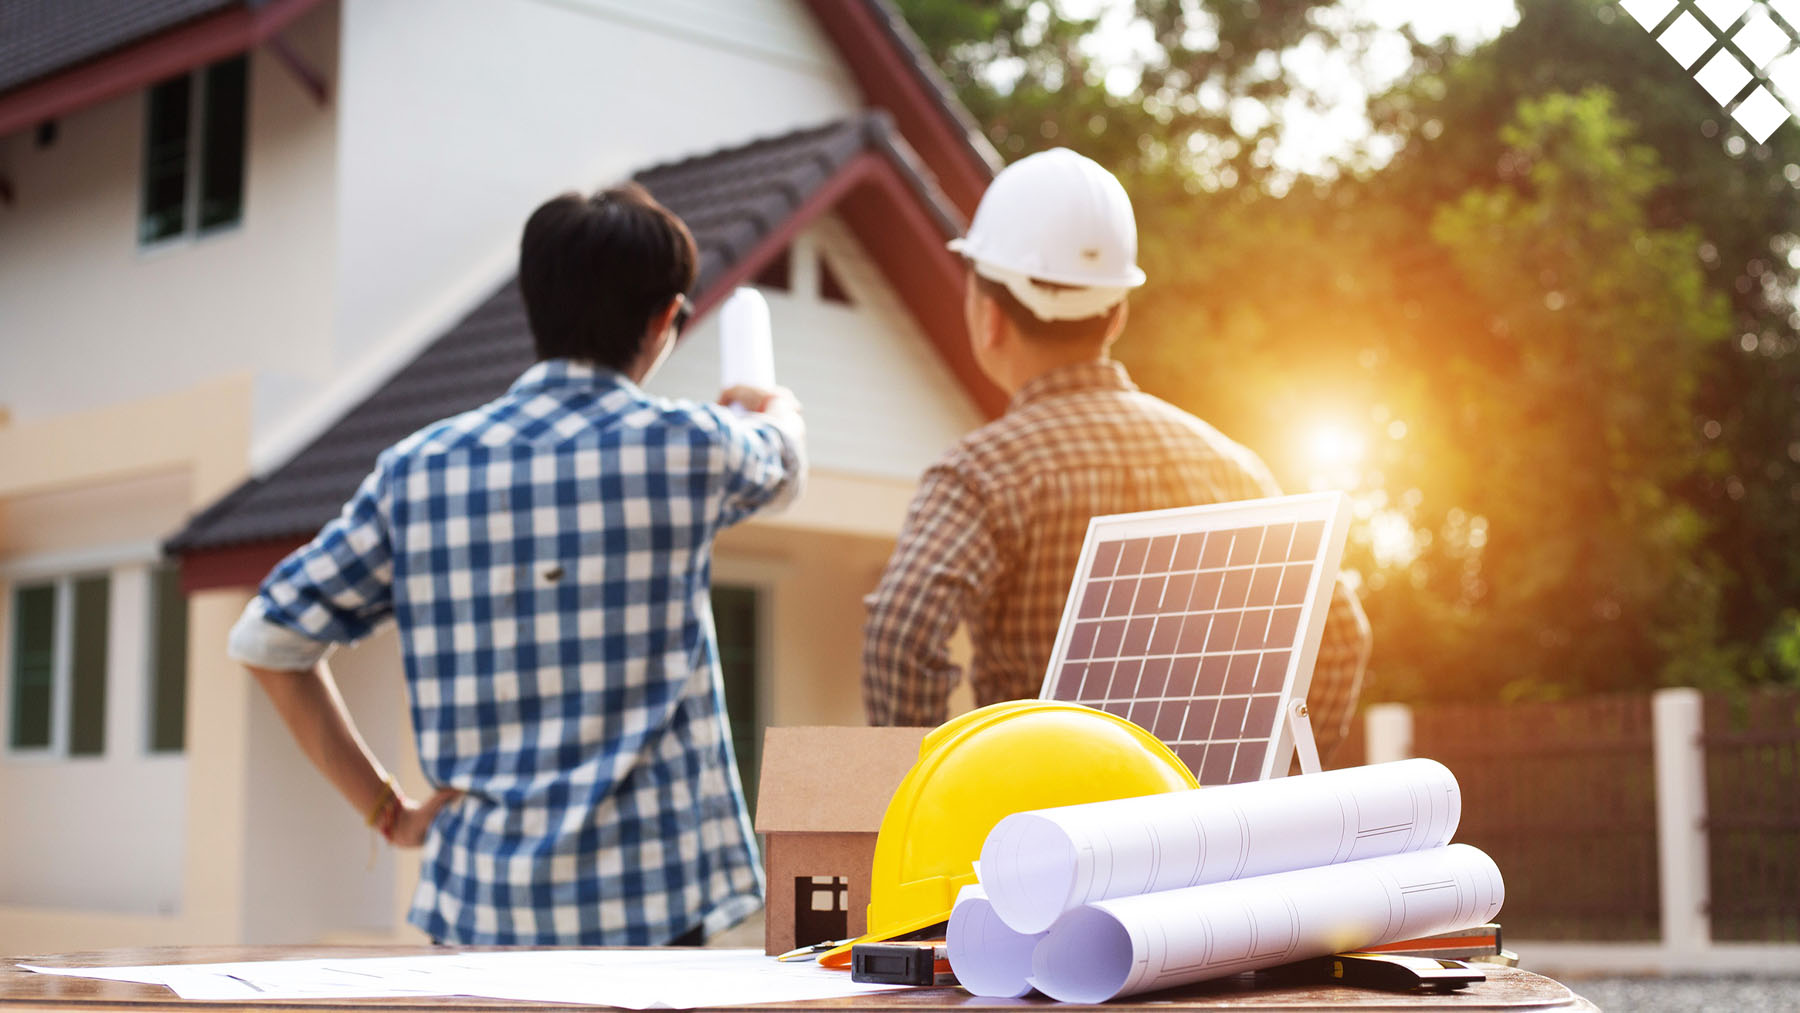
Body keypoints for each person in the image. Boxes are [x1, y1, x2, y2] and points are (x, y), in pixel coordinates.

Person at [228, 184, 805, 946]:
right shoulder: (690, 447)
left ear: (534, 304)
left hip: (478, 915)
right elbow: (786, 464)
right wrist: (773, 403)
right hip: (653, 911)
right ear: (665, 318)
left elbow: (268, 641)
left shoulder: (417, 470)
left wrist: (386, 811)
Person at [862, 148, 1371, 761]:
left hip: (1036, 825)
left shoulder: (982, 473)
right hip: (1199, 836)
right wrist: (1271, 770)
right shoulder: (1230, 467)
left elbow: (901, 629)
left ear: (989, 318)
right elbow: (1341, 632)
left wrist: (923, 795)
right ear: (1117, 313)